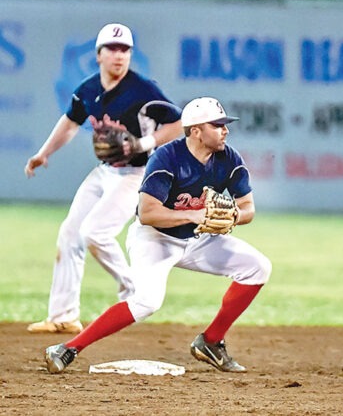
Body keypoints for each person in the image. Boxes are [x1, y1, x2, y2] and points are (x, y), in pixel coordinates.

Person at [44, 97, 272, 374]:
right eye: (218, 125)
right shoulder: (167, 158)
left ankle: (210, 342)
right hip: (155, 239)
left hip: (199, 238)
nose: (225, 130)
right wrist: (193, 215)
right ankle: (68, 348)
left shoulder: (229, 158)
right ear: (196, 131)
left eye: (225, 125)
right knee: (146, 302)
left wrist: (234, 215)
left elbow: (248, 208)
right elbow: (148, 212)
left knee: (258, 268)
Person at [25, 23, 183, 334]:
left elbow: (177, 123)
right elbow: (71, 122)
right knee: (70, 234)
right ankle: (63, 316)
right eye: (112, 48)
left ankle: (134, 291)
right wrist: (44, 153)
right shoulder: (87, 90)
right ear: (98, 55)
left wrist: (142, 144)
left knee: (95, 233)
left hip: (136, 173)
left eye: (125, 50)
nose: (119, 55)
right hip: (105, 171)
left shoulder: (143, 89)